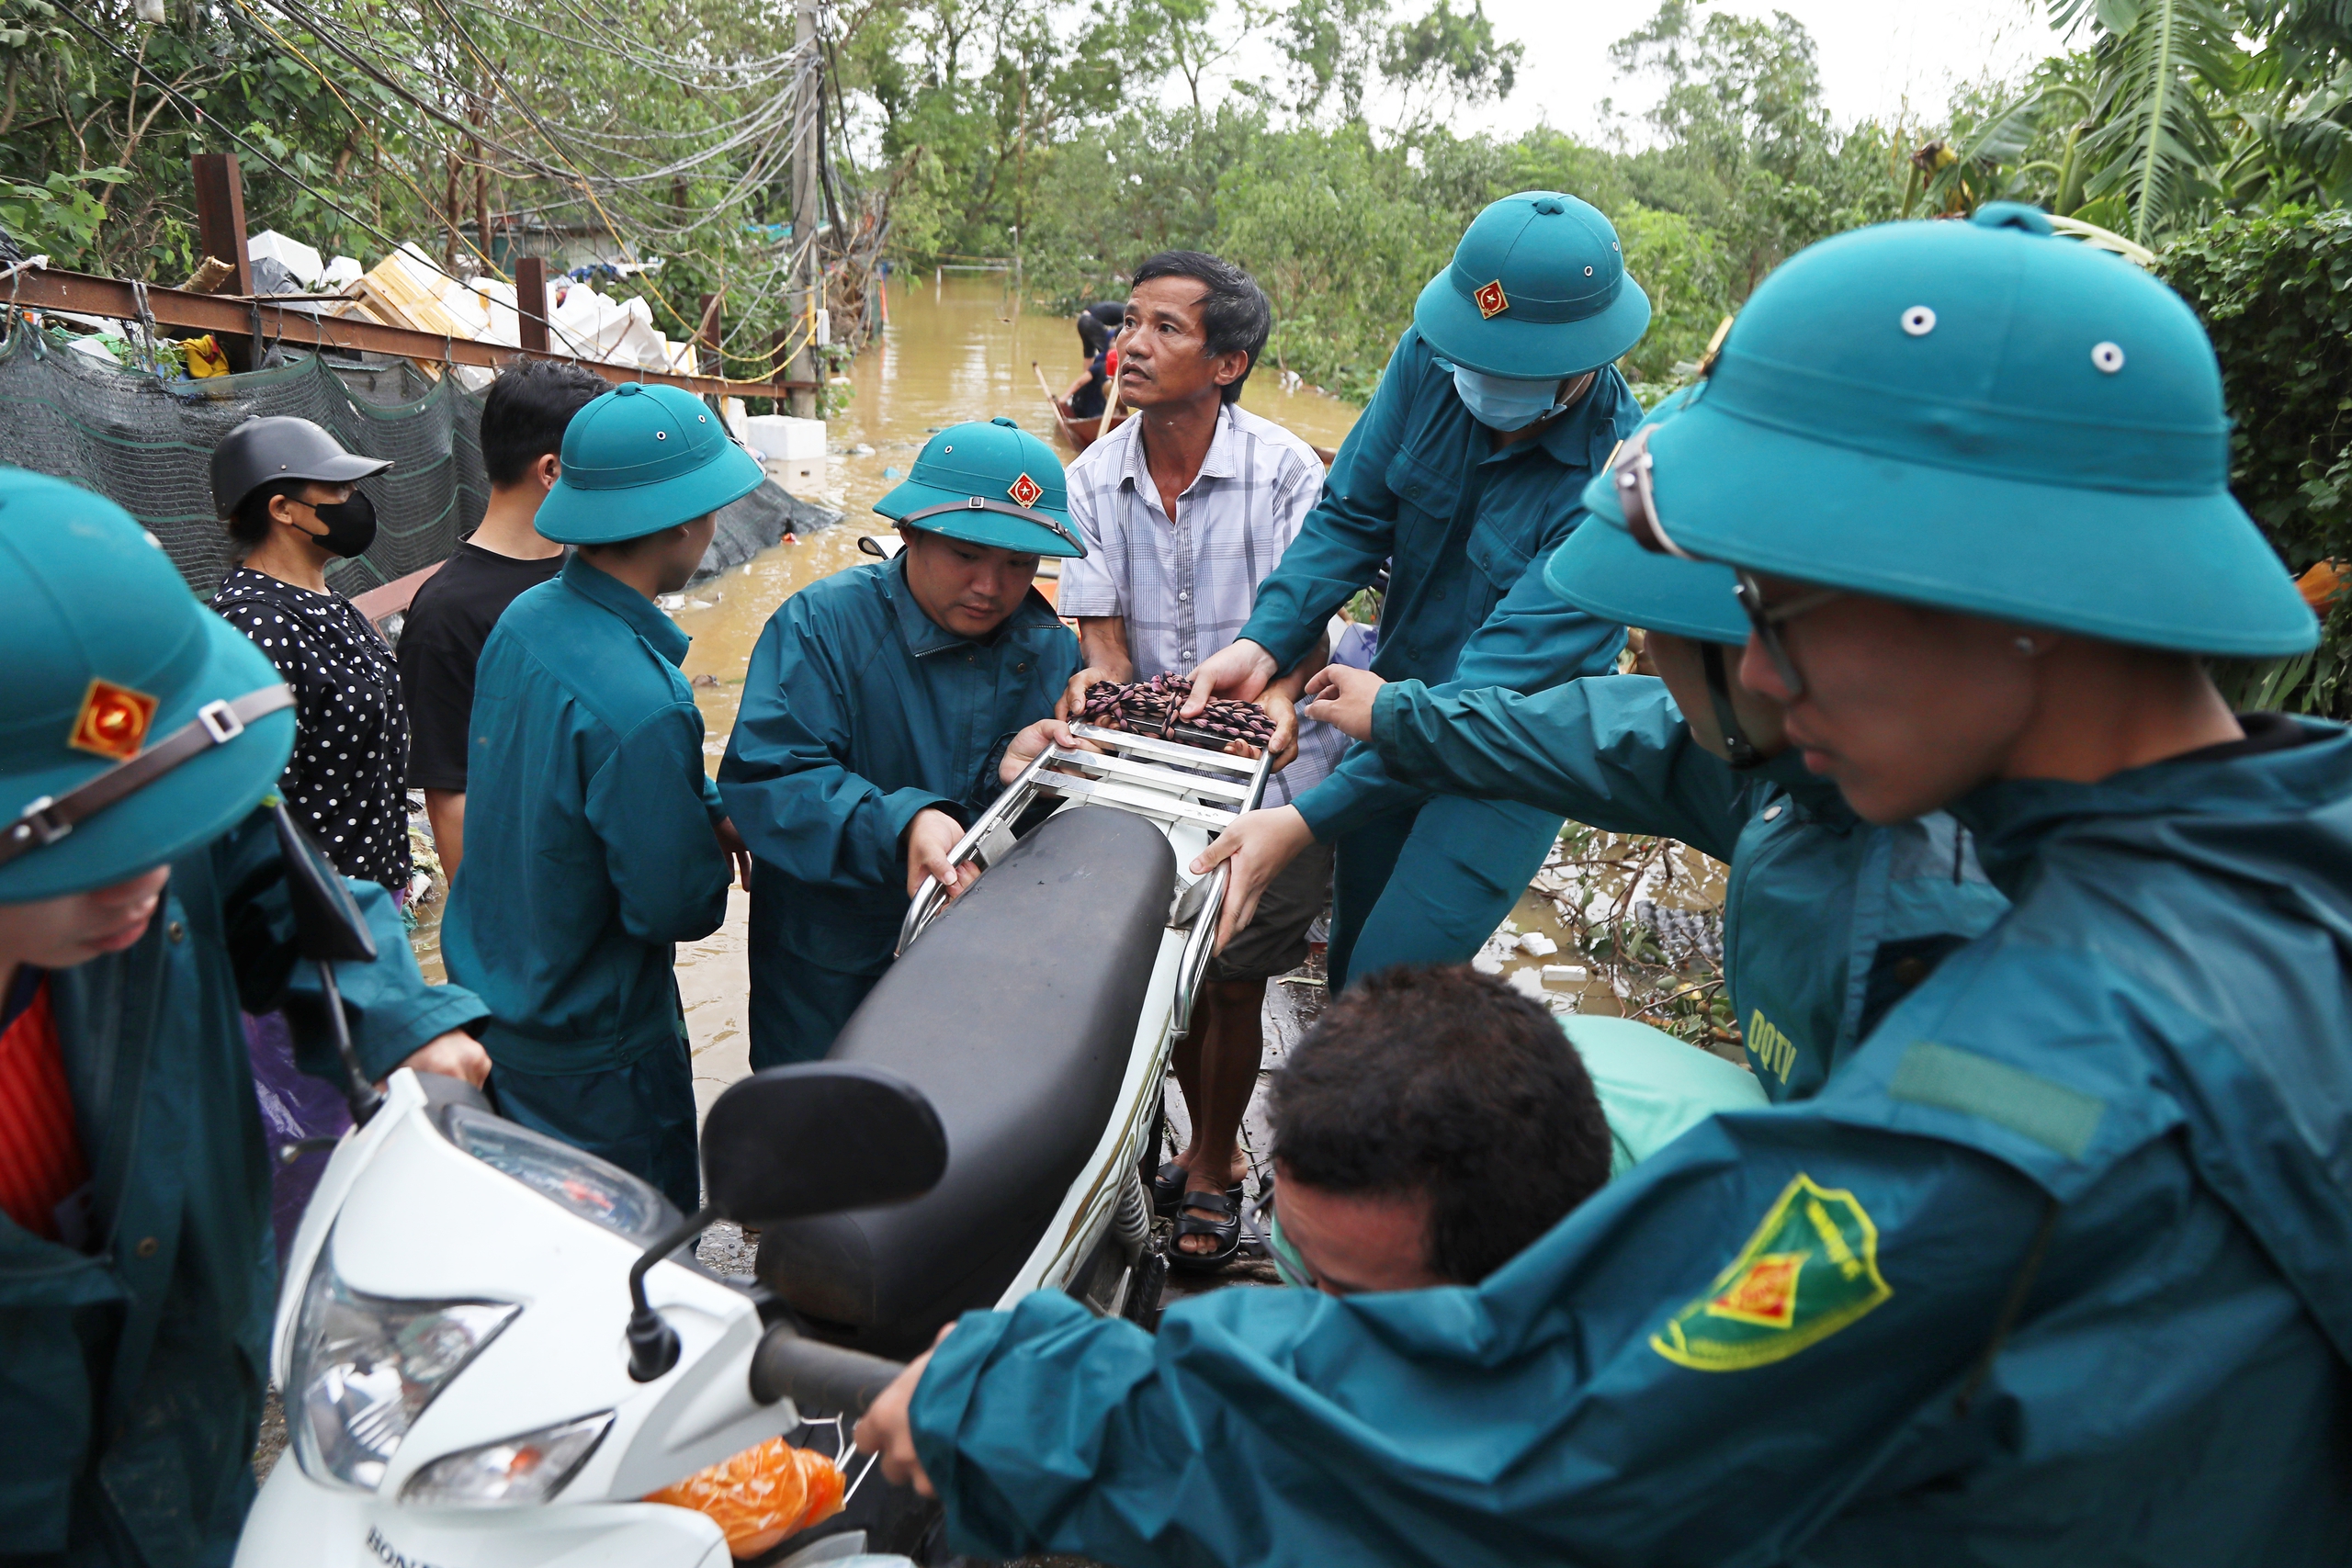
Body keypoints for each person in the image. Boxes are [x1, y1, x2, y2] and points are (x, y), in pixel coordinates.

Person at [854, 208, 2352, 1563]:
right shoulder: (2279, 852)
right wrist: (1375, 705)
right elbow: (1597, 722)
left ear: (1997, 586)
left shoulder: (2038, 1074)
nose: (1753, 674)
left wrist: (1036, 1391)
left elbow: (1573, 1420)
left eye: (1780, 609)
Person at [0, 469, 488, 1567]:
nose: (145, 883)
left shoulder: (134, 801)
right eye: (91, 856)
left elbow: (263, 866)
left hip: (188, 1446)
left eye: (161, 829)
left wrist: (399, 1015)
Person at [1294, 389, 2009, 1103]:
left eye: (1675, 632)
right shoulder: (1782, 756)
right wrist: (1396, 714)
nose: (1651, 657)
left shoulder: (1942, 926)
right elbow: (1602, 734)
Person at [1176, 191, 1650, 993]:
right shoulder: (1432, 360)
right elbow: (1352, 515)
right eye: (1470, 350)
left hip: (1506, 755)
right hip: (1384, 711)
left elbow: (1493, 691)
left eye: (1510, 366)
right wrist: (1266, 641)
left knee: (1390, 985)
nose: (1479, 377)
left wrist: (1299, 821)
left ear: (1585, 358)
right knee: (1348, 959)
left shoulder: (1609, 482)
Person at [1052, 251, 1341, 1269]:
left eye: (1163, 329)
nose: (1127, 345)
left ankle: (1215, 1161)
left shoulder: (1283, 472)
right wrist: (1102, 690)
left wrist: (1270, 693)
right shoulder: (1088, 476)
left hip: (1275, 773)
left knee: (1232, 977)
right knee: (1159, 971)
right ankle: (1175, 1136)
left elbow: (1304, 627)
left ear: (1226, 363)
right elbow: (1104, 643)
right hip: (1152, 770)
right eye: (1128, 323)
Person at [440, 383, 758, 1213]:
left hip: (501, 1011)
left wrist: (698, 792)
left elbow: (551, 778)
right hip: (601, 1054)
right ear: (685, 523)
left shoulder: (523, 621)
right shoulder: (646, 702)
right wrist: (708, 844)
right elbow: (674, 906)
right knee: (636, 1261)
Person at [718, 418, 1083, 1068]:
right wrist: (900, 821)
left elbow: (1043, 848)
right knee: (815, 1136)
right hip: (831, 968)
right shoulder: (821, 626)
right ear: (910, 530)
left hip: (976, 962)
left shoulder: (1051, 648)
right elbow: (770, 779)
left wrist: (1016, 782)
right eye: (967, 553)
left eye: (1019, 563)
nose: (992, 586)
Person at [1262, 964, 1758, 1295]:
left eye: (1354, 1299)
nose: (1318, 1322)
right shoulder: (1324, 1222)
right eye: (1299, 1257)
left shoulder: (1732, 1266)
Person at [399, 359, 607, 877]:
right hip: (531, 898)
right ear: (552, 471)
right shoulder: (446, 614)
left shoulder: (594, 574)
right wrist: (491, 937)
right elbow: (450, 799)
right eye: (600, 462)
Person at [209, 415, 411, 892]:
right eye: (338, 491)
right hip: (321, 912)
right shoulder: (257, 625)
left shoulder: (328, 604)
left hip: (374, 890)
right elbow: (258, 798)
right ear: (282, 509)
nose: (354, 502)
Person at [1064, 301, 1124, 422]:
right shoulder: (1130, 311)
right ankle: (1100, 386)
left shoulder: (1119, 309)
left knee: (1088, 354)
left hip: (1082, 321)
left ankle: (1087, 382)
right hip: (1090, 321)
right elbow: (1120, 333)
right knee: (1110, 355)